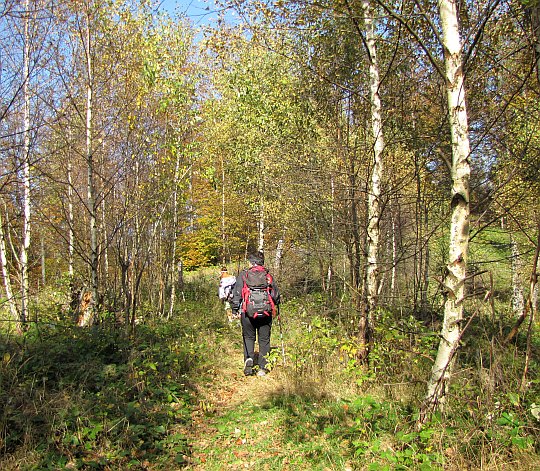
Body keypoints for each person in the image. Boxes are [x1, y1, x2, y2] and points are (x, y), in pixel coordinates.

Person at [231, 251, 280, 377]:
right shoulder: (268, 276)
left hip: (248, 312)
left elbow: (236, 294)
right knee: (264, 340)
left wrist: (235, 310)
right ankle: (263, 368)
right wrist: (276, 307)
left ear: (251, 262)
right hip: (266, 313)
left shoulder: (243, 275)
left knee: (248, 337)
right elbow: (276, 296)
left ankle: (249, 359)